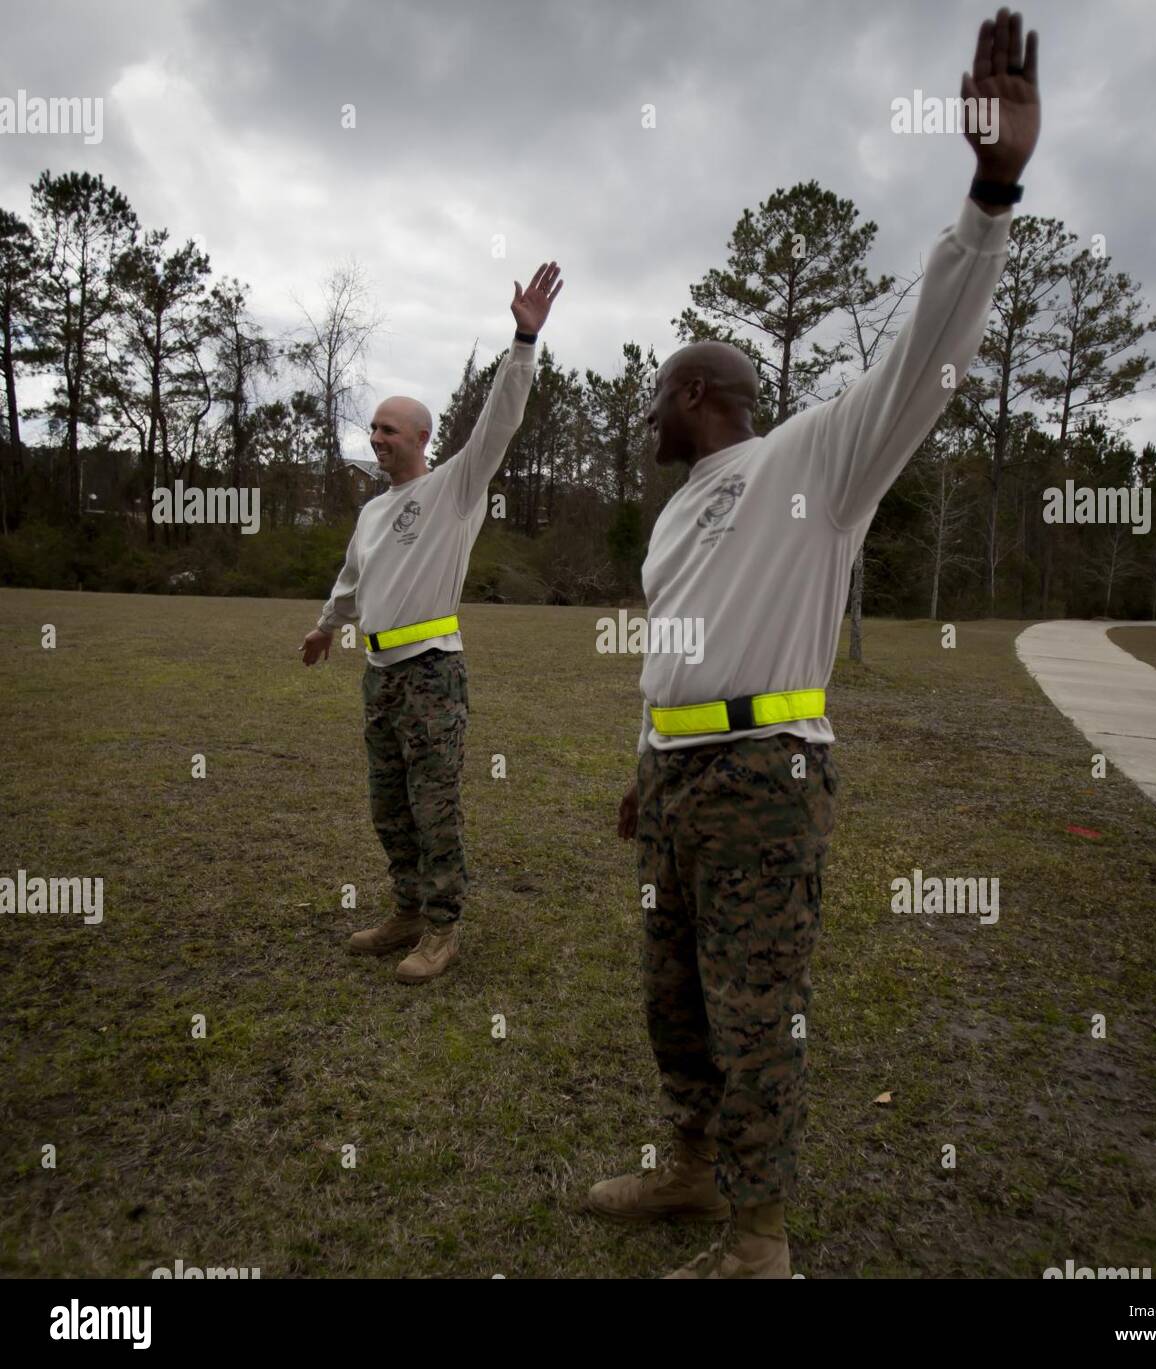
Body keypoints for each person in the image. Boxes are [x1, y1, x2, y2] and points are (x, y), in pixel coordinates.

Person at [588, 10, 1040, 1277]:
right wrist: (641, 763)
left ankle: (759, 1235)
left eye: (652, 396)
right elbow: (673, 649)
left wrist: (989, 192)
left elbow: (924, 356)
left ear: (695, 394)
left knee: (751, 1012)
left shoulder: (814, 461)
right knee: (673, 1002)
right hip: (678, 783)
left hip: (765, 779)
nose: (643, 416)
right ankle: (688, 1168)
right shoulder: (675, 515)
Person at [299, 263, 563, 984]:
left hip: (431, 672)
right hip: (378, 674)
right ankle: (407, 912)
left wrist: (523, 340)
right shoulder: (370, 510)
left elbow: (499, 422)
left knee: (432, 803)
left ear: (420, 435)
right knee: (388, 804)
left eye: (387, 428)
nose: (376, 437)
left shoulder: (453, 488)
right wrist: (327, 627)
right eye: (373, 427)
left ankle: (444, 931)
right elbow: (353, 580)